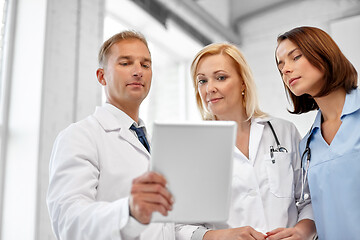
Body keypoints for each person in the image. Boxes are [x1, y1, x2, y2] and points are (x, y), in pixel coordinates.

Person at [176, 43, 316, 240]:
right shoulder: (191, 148)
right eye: (202, 81)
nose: (210, 88)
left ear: (243, 82)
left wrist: (302, 232)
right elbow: (178, 226)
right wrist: (221, 236)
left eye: (221, 77)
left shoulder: (283, 132)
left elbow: (309, 200)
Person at [47, 30, 175, 240]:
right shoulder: (80, 136)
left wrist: (209, 235)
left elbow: (165, 224)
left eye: (146, 64)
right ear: (102, 76)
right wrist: (129, 211)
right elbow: (68, 220)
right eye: (125, 63)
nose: (138, 71)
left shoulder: (151, 143)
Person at [275, 26, 360, 240]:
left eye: (295, 57)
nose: (285, 69)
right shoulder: (307, 146)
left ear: (323, 53)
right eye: (281, 65)